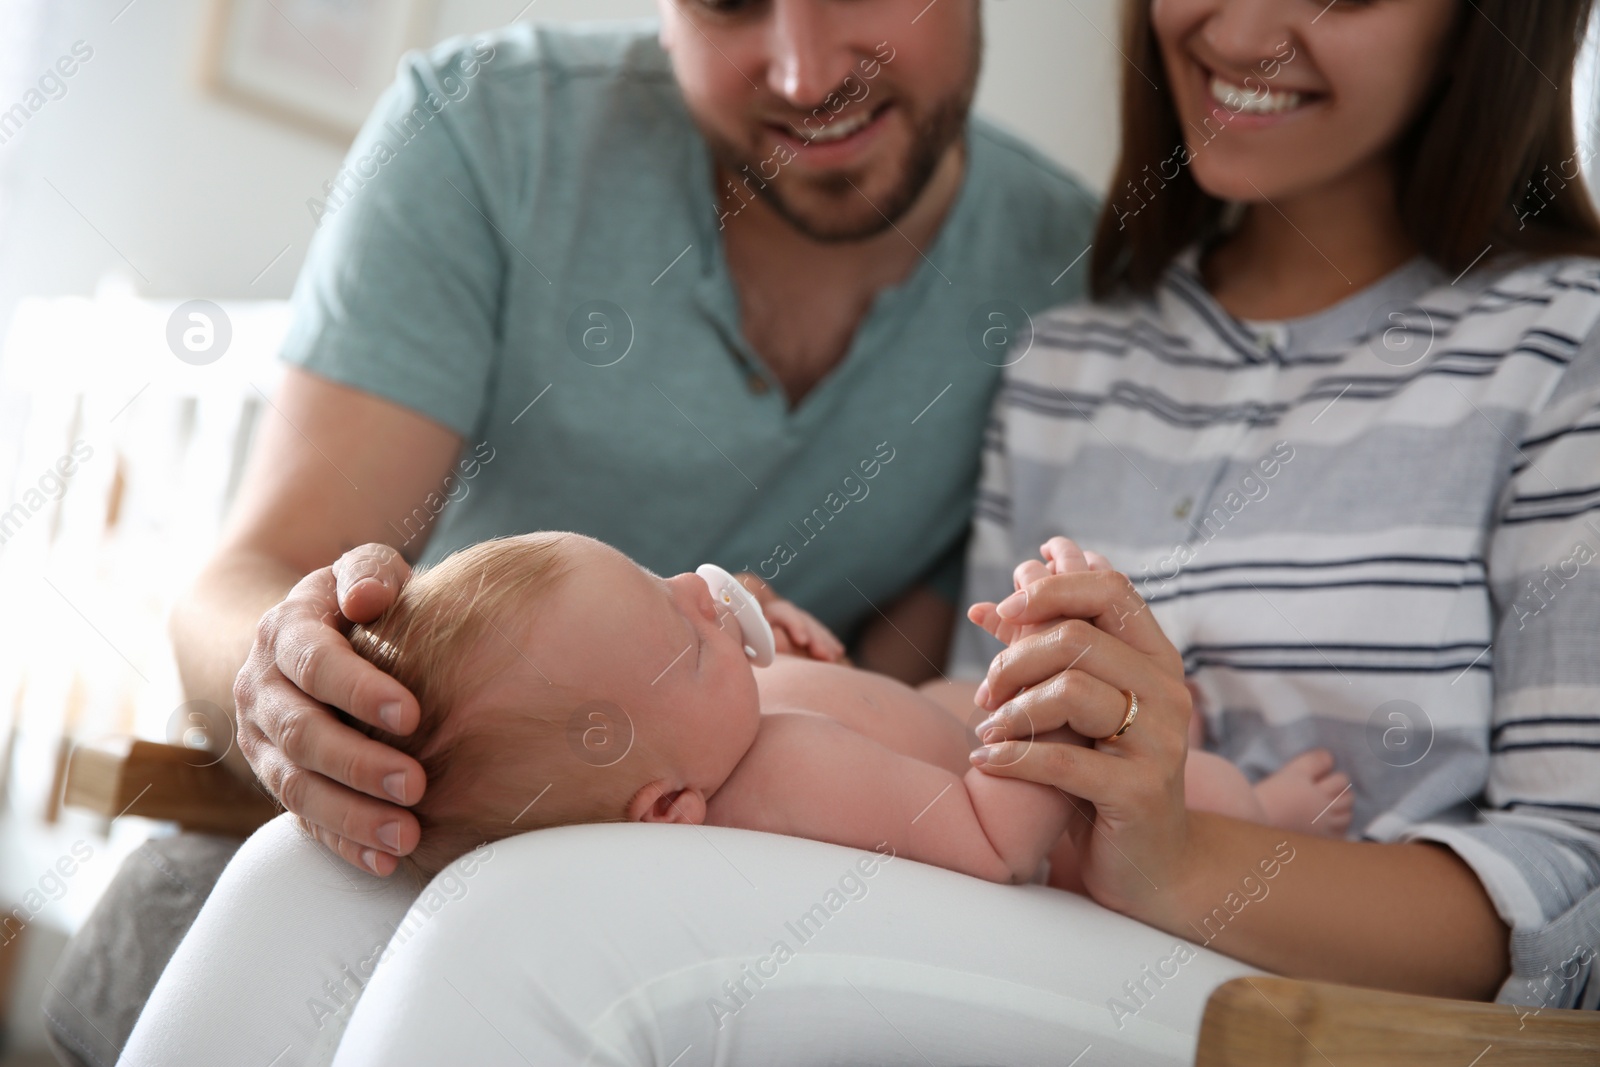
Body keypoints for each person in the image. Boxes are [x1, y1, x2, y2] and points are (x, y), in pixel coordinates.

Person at [45, 3, 1098, 1064]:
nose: (802, 69)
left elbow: (910, 702)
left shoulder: (1076, 280)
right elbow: (259, 571)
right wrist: (289, 690)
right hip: (417, 826)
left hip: (765, 891)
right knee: (215, 907)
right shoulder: (487, 133)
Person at [957, 0, 1600, 1010]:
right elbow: (972, 743)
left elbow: (1576, 887)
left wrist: (1174, 857)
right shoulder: (1064, 366)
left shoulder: (1568, 351)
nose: (1243, 28)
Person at [338, 531, 1352, 885]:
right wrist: (1059, 700)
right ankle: (1266, 812)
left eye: (660, 576)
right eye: (690, 639)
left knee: (944, 696)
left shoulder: (698, 739)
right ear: (667, 812)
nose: (705, 591)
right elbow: (996, 843)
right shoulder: (783, 780)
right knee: (1178, 790)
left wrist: (764, 634)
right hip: (986, 791)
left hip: (920, 721)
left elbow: (773, 682)